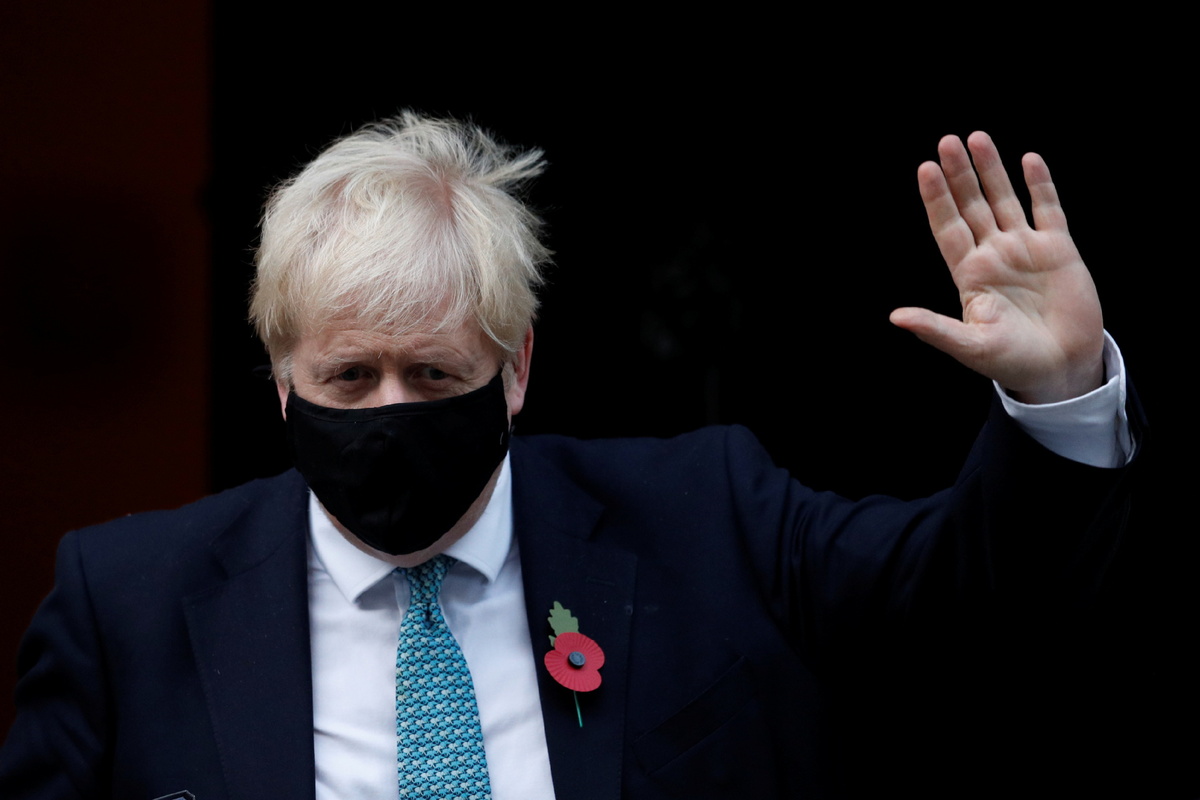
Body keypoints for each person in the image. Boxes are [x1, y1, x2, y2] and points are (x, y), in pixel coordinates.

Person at [0, 113, 1139, 799]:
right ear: (283, 384)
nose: (391, 411)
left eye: (434, 374)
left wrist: (1056, 393)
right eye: (349, 378)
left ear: (517, 369)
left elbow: (966, 601)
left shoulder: (709, 517)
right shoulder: (126, 604)